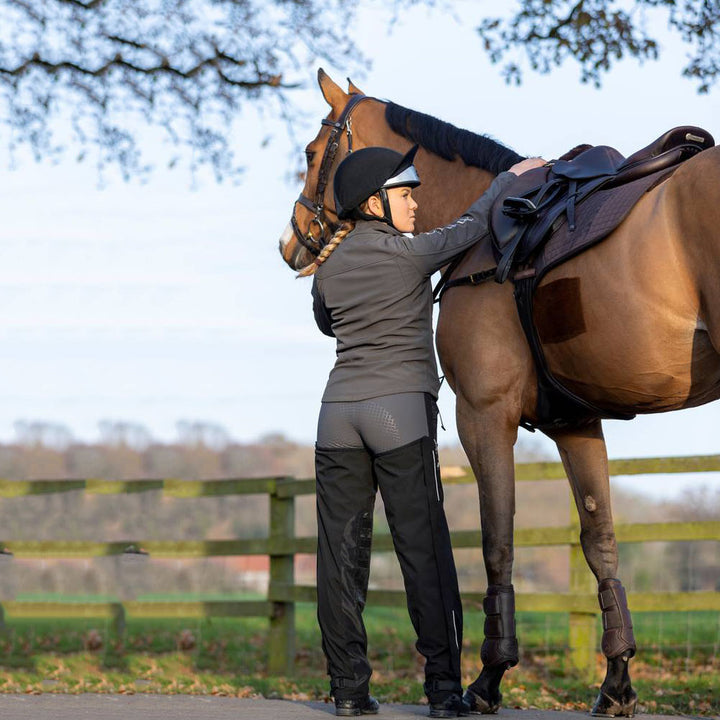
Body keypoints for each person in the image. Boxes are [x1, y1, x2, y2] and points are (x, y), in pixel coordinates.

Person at [299, 145, 544, 718]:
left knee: (338, 558)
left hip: (336, 416)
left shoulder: (327, 270)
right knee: (424, 553)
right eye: (405, 194)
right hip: (397, 416)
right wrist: (511, 176)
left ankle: (349, 692)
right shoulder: (411, 256)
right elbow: (476, 221)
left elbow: (326, 319)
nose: (415, 203)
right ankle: (441, 691)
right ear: (374, 203)